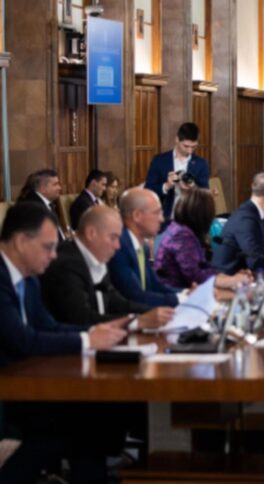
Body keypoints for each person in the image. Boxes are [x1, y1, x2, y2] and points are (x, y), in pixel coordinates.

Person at [0, 202, 130, 483]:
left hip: (24, 380)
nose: (54, 254)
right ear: (21, 242)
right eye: (48, 247)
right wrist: (87, 339)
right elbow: (22, 341)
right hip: (9, 391)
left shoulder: (28, 277)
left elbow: (49, 326)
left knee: (92, 416)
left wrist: (98, 332)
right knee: (78, 423)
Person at [42, 206, 175, 327]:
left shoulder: (96, 256)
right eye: (113, 238)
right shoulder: (65, 265)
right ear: (91, 233)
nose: (117, 246)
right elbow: (81, 318)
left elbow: (115, 301)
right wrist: (137, 321)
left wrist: (155, 312)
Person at [154, 188, 250, 289]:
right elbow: (195, 276)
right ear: (203, 214)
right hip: (175, 294)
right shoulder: (181, 235)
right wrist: (232, 281)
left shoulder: (181, 230)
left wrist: (230, 277)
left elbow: (203, 267)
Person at [108, 188, 183, 307]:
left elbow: (155, 286)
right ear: (137, 215)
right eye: (157, 213)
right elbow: (134, 297)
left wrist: (186, 293)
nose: (162, 219)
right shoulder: (119, 246)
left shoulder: (142, 245)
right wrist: (181, 298)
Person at [144, 122, 210, 222]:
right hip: (165, 218)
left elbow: (205, 196)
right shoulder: (159, 161)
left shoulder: (201, 164)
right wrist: (166, 186)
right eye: (186, 146)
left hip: (192, 218)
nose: (190, 151)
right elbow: (148, 191)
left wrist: (193, 188)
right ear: (177, 139)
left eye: (193, 147)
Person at [17, 169, 66, 241]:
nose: (60, 188)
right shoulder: (32, 208)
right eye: (55, 184)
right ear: (43, 188)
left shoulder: (46, 203)